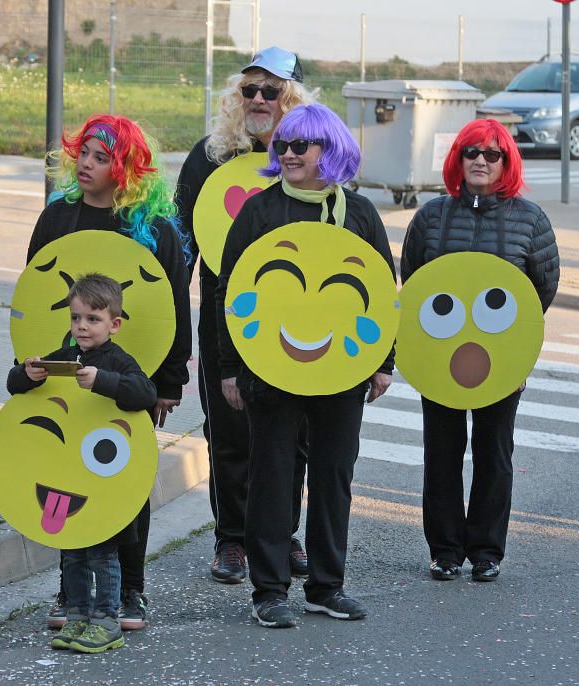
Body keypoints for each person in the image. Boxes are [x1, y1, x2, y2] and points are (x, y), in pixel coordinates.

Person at [216, 103, 395, 627]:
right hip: (270, 368)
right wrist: (230, 368)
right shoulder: (260, 210)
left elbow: (382, 292)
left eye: (302, 146)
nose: (289, 154)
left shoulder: (358, 213)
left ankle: (326, 586)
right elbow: (233, 290)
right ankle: (269, 591)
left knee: (333, 476)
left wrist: (383, 361)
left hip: (342, 368)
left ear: (329, 151)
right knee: (272, 476)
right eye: (284, 145)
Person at [29, 114, 191, 631]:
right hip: (67, 377)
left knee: (126, 482)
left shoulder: (154, 228)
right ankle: (71, 591)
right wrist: (35, 365)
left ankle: (131, 591)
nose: (87, 165)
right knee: (66, 475)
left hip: (130, 381)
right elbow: (32, 295)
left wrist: (169, 384)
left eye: (102, 158)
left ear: (125, 169)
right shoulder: (58, 218)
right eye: (84, 154)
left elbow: (172, 308)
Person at [174, 46, 314, 584]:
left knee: (292, 427)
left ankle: (283, 533)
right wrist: (175, 332)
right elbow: (182, 243)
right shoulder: (210, 157)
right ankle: (232, 538)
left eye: (270, 90)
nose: (257, 98)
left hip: (295, 310)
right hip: (223, 309)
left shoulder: (309, 155)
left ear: (291, 98)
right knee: (229, 426)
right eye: (248, 89)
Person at [400, 119, 559, 583]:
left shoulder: (530, 219)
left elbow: (540, 290)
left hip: (501, 359)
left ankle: (487, 551)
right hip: (439, 357)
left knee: (494, 451)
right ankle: (445, 550)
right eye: (472, 152)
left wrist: (511, 343)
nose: (481, 161)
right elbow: (413, 284)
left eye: (493, 154)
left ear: (507, 161)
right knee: (442, 452)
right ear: (458, 159)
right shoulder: (431, 216)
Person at [7, 274, 158, 654]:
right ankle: (77, 615)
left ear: (114, 324)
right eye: (76, 318)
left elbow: (145, 393)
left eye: (92, 319)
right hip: (68, 475)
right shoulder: (63, 357)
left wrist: (104, 380)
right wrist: (27, 374)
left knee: (104, 551)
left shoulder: (120, 362)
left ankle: (106, 620)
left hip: (103, 480)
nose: (82, 327)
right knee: (72, 550)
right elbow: (14, 386)